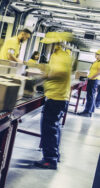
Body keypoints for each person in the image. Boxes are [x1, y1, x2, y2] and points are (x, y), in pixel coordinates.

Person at [34, 32, 73, 169]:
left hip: (56, 97)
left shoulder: (60, 56)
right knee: (54, 127)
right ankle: (54, 155)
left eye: (49, 43)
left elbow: (59, 73)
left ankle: (49, 159)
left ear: (55, 43)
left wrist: (39, 78)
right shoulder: (62, 55)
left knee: (49, 129)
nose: (47, 46)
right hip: (59, 96)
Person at [77, 50, 100, 117]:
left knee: (90, 96)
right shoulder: (96, 61)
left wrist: (90, 78)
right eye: (96, 54)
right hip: (92, 79)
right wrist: (88, 77)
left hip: (94, 80)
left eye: (98, 54)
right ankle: (90, 111)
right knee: (91, 95)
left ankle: (87, 112)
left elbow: (98, 72)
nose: (96, 55)